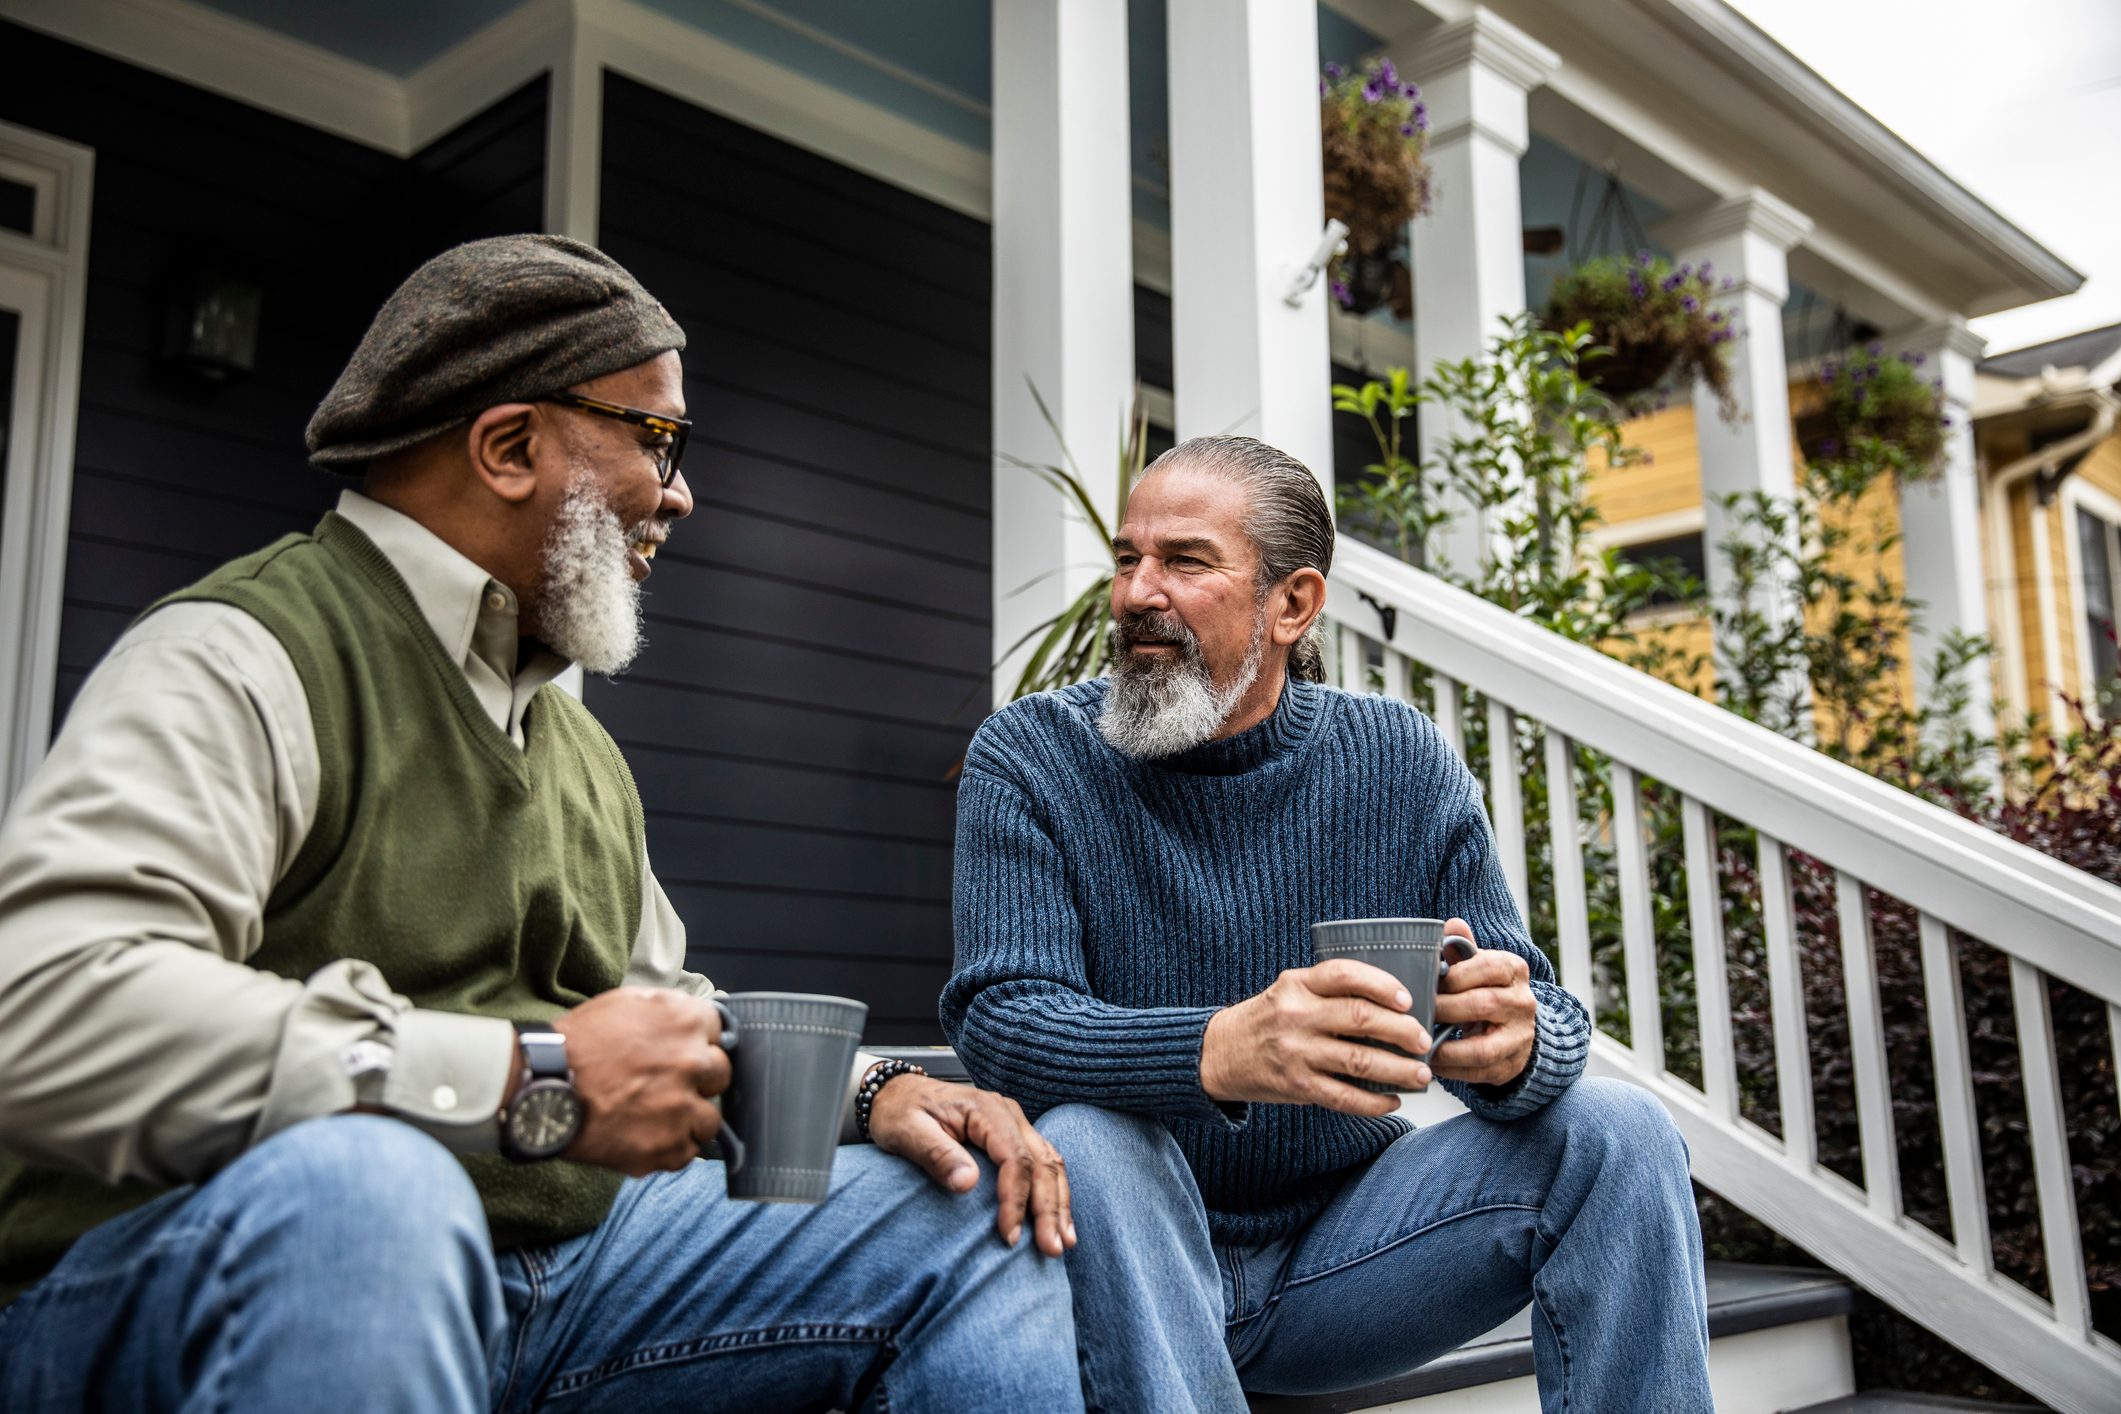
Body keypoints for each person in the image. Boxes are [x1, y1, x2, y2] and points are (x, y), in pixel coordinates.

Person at [0, 235, 1081, 1413]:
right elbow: (42, 1002)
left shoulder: (580, 751)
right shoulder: (246, 654)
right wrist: (528, 1078)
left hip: (556, 1279)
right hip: (177, 1283)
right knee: (372, 1195)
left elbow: (672, 1025)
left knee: (975, 1212)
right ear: (510, 446)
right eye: (656, 440)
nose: (681, 492)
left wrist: (875, 1092)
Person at [942, 434, 1711, 1412]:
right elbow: (1004, 1023)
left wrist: (1520, 1045)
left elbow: (1533, 1000)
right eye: (1127, 558)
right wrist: (1224, 1046)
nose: (1137, 591)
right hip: (1114, 1258)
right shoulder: (1032, 752)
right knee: (1094, 1138)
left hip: (1344, 1259)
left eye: (1183, 560)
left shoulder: (1395, 759)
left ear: (1291, 601)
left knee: (1622, 1127)